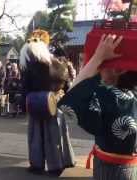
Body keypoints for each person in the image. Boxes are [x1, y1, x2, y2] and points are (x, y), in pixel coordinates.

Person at [58, 34, 137, 180]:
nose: (97, 71)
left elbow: (70, 100)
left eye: (101, 67)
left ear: (119, 69)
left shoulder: (111, 99)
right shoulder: (131, 96)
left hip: (111, 172)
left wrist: (97, 57)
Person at [20, 29, 75, 176]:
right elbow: (66, 82)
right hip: (53, 101)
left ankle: (37, 165)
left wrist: (25, 100)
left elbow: (25, 85)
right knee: (54, 135)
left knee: (36, 135)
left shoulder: (29, 64)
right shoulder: (58, 63)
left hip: (36, 102)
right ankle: (56, 165)